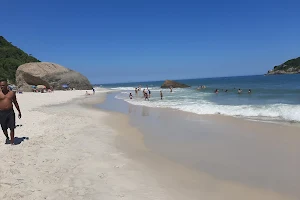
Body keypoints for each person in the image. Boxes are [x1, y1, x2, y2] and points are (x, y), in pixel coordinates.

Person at [0, 80, 21, 145]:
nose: (1, 87)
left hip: (10, 112)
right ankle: (7, 137)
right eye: (0, 85)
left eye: (3, 85)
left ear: (7, 86)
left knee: (12, 127)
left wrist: (19, 111)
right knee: (4, 128)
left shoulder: (12, 93)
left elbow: (15, 102)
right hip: (2, 113)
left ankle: (12, 142)